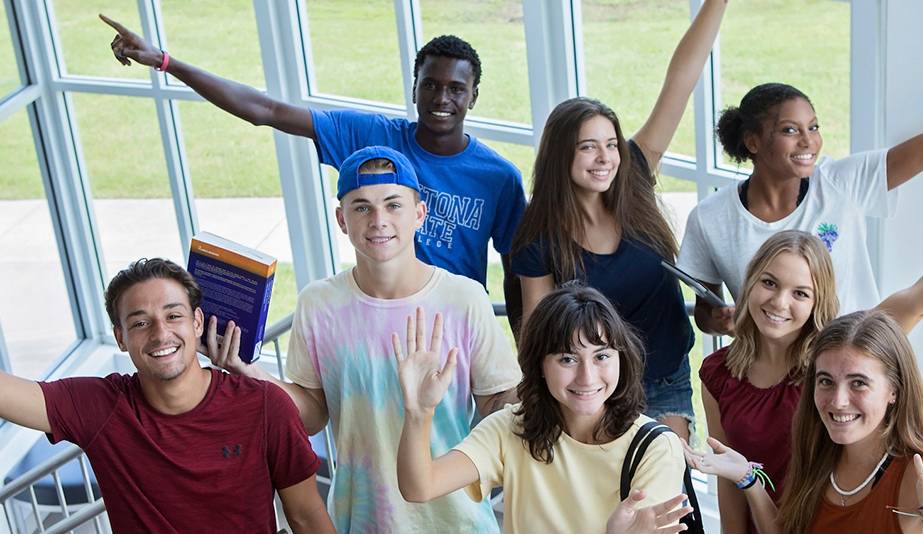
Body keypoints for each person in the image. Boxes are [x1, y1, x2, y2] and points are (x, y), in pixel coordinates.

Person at [99, 14, 527, 324]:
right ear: (414, 87)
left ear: (473, 97)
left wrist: (523, 357)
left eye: (456, 89)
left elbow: (517, 277)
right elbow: (264, 109)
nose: (441, 98)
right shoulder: (371, 135)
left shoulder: (499, 178)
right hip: (375, 317)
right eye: (430, 84)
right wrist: (165, 62)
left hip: (453, 324)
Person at [207, 146, 520, 533]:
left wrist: (543, 390)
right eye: (361, 207)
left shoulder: (464, 297)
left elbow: (497, 401)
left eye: (393, 205)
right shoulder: (318, 303)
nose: (378, 220)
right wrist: (248, 372)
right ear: (341, 219)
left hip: (456, 518)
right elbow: (311, 415)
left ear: (419, 214)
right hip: (363, 518)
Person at [510, 0, 729, 442]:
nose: (605, 157)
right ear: (561, 155)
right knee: (619, 503)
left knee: (670, 495)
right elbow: (537, 336)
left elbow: (681, 81)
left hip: (665, 379)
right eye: (588, 146)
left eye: (610, 144)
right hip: (596, 391)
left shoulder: (634, 178)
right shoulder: (538, 239)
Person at [0, 258, 335, 533]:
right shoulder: (102, 407)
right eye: (141, 323)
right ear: (120, 337)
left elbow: (306, 517)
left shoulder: (265, 406)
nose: (161, 334)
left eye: (173, 316)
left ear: (197, 322)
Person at [699, 232, 923, 533]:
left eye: (801, 293)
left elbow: (919, 298)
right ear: (750, 282)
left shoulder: (837, 354)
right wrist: (747, 483)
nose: (779, 302)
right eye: (769, 282)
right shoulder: (719, 374)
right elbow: (727, 482)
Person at [678, 82, 923, 336]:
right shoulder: (711, 219)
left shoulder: (841, 183)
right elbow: (706, 312)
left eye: (813, 128)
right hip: (775, 383)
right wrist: (719, 321)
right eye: (791, 130)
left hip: (854, 363)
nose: (809, 141)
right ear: (753, 142)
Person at [395, 285, 686, 534]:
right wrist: (419, 413)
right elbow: (419, 487)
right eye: (567, 359)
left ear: (621, 360)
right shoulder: (510, 428)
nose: (587, 377)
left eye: (601, 356)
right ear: (540, 366)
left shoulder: (655, 447)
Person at [692, 310, 923, 533]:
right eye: (826, 381)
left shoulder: (920, 472)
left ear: (894, 391)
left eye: (859, 383)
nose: (838, 401)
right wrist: (749, 479)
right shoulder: (819, 452)